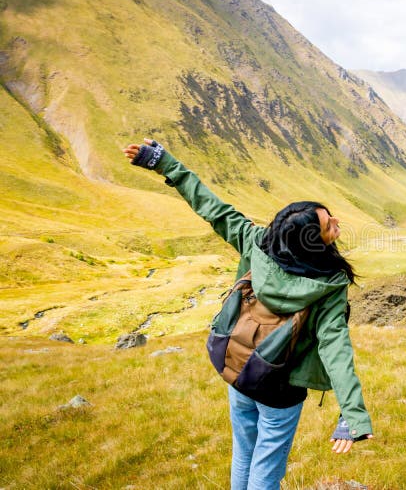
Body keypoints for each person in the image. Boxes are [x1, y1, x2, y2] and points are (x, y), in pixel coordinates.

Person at [123, 139, 373, 489]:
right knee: (266, 469)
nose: (337, 222)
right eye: (329, 224)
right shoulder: (328, 286)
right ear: (312, 243)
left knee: (244, 455)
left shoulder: (255, 242)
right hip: (280, 391)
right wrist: (352, 414)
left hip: (238, 368)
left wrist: (165, 163)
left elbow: (212, 208)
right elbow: (336, 348)